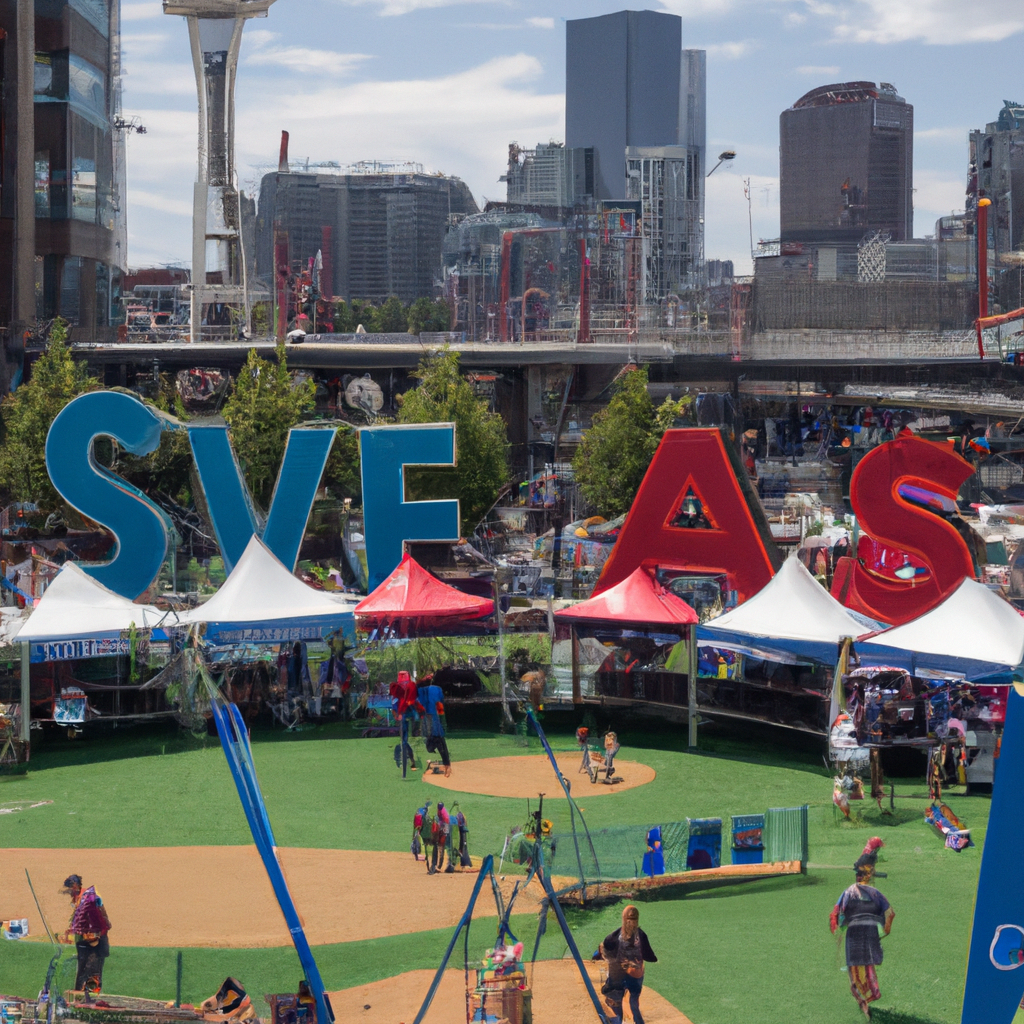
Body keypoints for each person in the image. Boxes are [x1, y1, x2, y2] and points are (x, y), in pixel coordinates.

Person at [830, 862, 895, 1018]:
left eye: (859, 873)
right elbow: (890, 913)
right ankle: (868, 997)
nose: (858, 876)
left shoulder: (848, 892)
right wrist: (886, 929)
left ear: (864, 876)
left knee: (854, 971)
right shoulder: (876, 893)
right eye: (857, 873)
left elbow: (838, 912)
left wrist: (838, 926)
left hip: (854, 935)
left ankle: (862, 1002)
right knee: (867, 968)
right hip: (870, 934)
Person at [596, 904, 657, 1024]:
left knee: (615, 998)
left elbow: (605, 946)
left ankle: (618, 1020)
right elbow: (649, 956)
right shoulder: (641, 935)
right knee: (633, 1001)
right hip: (635, 975)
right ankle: (638, 1022)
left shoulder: (615, 936)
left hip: (620, 974)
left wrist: (601, 954)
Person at [61, 874, 111, 996]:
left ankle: (89, 999)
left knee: (92, 971)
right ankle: (79, 996)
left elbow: (101, 916)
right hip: (85, 941)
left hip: (95, 941)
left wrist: (96, 932)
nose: (68, 893)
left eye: (69, 890)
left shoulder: (90, 897)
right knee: (82, 970)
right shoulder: (79, 899)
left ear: (75, 886)